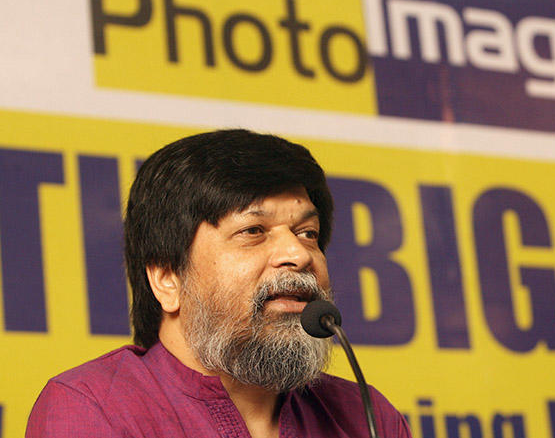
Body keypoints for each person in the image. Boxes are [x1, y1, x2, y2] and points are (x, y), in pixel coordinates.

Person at [26, 129, 412, 438]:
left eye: (308, 233)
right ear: (167, 279)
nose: (298, 254)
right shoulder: (92, 410)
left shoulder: (367, 416)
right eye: (254, 230)